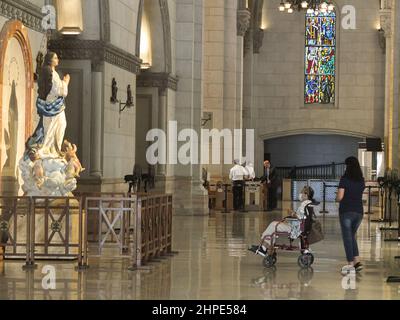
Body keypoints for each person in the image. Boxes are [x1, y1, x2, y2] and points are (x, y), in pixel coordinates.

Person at [25, 51, 70, 159]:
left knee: (60, 125)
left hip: (55, 106)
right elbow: (59, 91)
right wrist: (66, 82)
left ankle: (54, 150)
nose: (57, 59)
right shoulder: (51, 73)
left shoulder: (53, 73)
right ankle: (49, 150)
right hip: (52, 106)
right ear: (50, 60)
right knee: (51, 128)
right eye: (55, 58)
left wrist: (62, 83)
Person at [249, 186, 316, 256]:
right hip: (299, 227)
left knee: (273, 225)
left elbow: (300, 217)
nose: (300, 194)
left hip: (295, 228)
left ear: (306, 195)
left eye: (301, 192)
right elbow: (303, 217)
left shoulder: (304, 204)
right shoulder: (309, 204)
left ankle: (263, 248)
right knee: (274, 228)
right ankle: (264, 246)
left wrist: (292, 213)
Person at [336, 157, 366, 275]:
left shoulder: (344, 179)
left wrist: (336, 198)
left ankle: (350, 264)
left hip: (346, 211)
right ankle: (357, 261)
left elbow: (340, 197)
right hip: (359, 212)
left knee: (347, 238)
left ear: (348, 166)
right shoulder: (361, 180)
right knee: (352, 236)